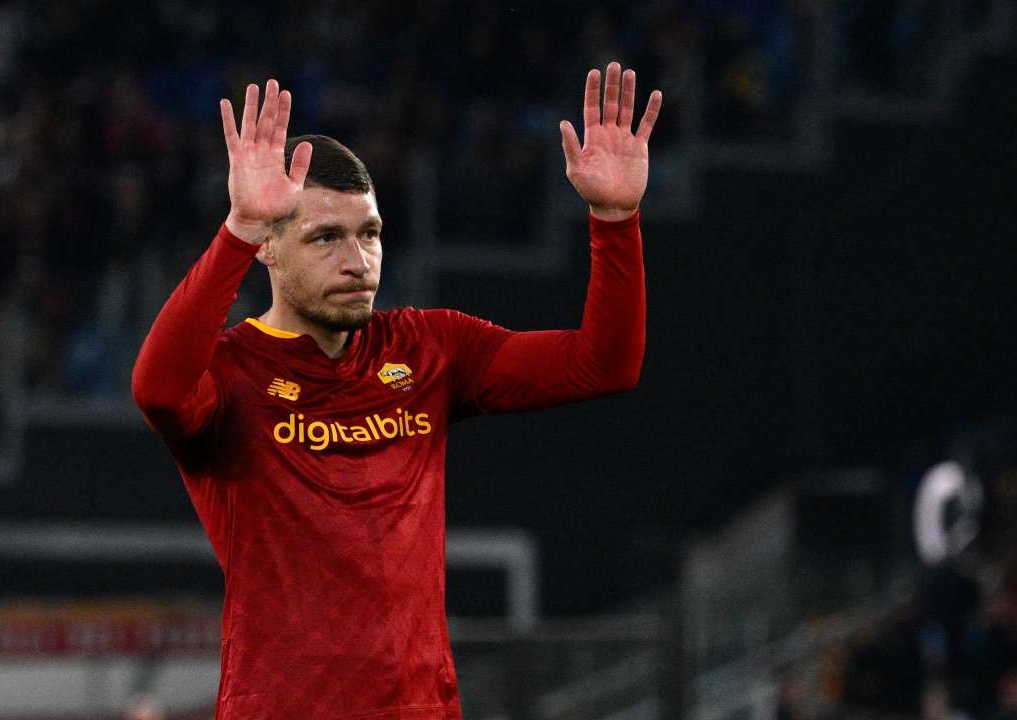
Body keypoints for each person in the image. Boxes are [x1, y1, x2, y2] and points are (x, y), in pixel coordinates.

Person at [131, 61, 660, 719]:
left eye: (370, 234)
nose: (357, 262)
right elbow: (156, 391)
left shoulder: (429, 348)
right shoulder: (231, 374)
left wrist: (616, 218)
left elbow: (603, 365)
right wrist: (238, 228)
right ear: (268, 248)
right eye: (326, 238)